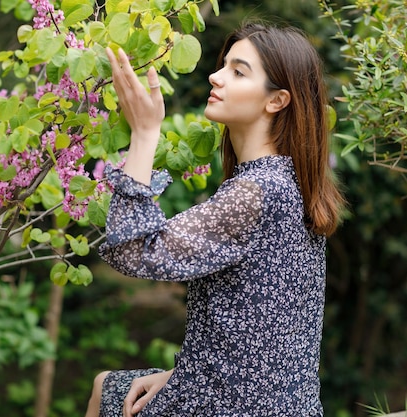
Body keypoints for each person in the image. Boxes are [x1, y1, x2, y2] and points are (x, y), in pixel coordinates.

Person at [85, 21, 346, 417]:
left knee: (106, 389)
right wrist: (181, 374)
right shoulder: (291, 182)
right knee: (110, 387)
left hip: (228, 409)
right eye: (224, 65)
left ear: (276, 101)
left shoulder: (256, 192)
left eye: (238, 72)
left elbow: (132, 250)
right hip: (290, 407)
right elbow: (266, 336)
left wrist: (144, 134)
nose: (215, 76)